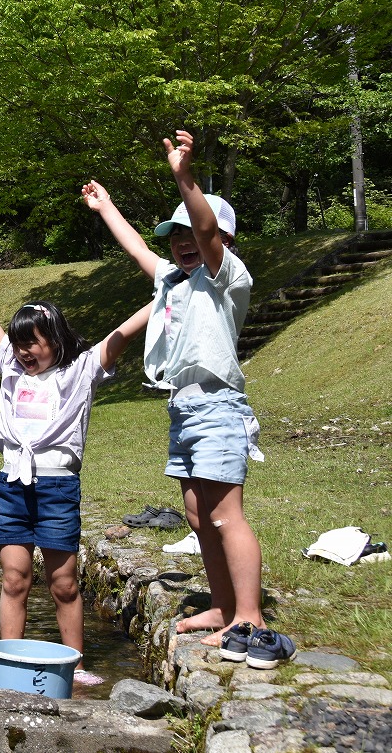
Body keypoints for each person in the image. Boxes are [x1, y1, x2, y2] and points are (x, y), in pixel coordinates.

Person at [82, 129, 268, 649]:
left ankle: (250, 617)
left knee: (225, 513)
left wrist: (184, 176)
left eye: (191, 233)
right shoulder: (173, 282)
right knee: (195, 514)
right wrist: (107, 208)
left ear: (221, 241)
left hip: (217, 404)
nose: (183, 240)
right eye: (175, 235)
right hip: (183, 407)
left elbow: (206, 226)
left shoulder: (228, 278)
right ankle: (222, 604)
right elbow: (139, 248)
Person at [0, 247, 149, 685]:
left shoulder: (78, 370)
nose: (22, 353)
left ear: (54, 341)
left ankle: (74, 665)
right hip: (12, 485)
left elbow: (122, 335)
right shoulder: (11, 370)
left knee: (64, 583)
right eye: (18, 346)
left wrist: (167, 295)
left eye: (32, 344)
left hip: (58, 487)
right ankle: (9, 663)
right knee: (15, 579)